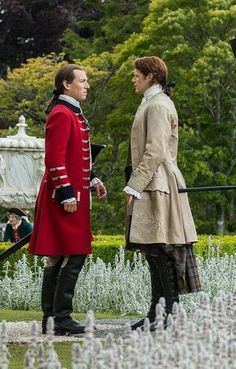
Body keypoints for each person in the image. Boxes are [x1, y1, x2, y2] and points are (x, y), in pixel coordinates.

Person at [28, 64, 107, 335]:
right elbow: (54, 159)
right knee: (71, 255)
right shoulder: (62, 114)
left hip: (74, 195)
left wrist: (92, 178)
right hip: (65, 198)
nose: (86, 85)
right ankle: (59, 318)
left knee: (63, 255)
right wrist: (65, 193)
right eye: (82, 81)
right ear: (66, 85)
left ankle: (53, 320)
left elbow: (76, 154)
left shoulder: (71, 113)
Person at [124, 56, 201, 330]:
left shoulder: (158, 105)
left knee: (161, 250)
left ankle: (169, 314)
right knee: (153, 251)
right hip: (153, 182)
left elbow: (155, 150)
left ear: (150, 76)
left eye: (136, 75)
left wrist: (135, 184)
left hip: (158, 184)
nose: (133, 79)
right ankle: (156, 313)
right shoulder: (151, 102)